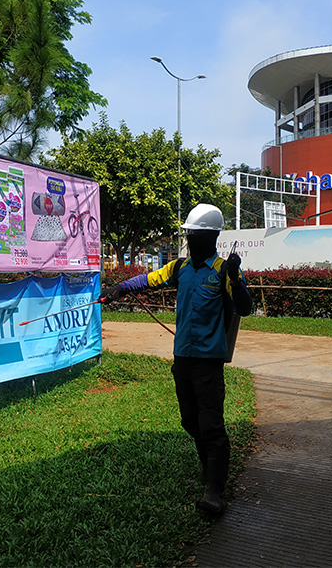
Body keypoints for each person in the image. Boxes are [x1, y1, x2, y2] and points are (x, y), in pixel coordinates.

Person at [100, 203, 252, 515]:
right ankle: (206, 466)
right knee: (189, 421)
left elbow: (245, 307)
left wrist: (236, 279)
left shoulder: (223, 270)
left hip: (209, 362)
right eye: (188, 233)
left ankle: (215, 492)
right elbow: (148, 279)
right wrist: (119, 288)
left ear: (210, 237)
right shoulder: (180, 268)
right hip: (181, 359)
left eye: (194, 233)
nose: (189, 237)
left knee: (211, 425)